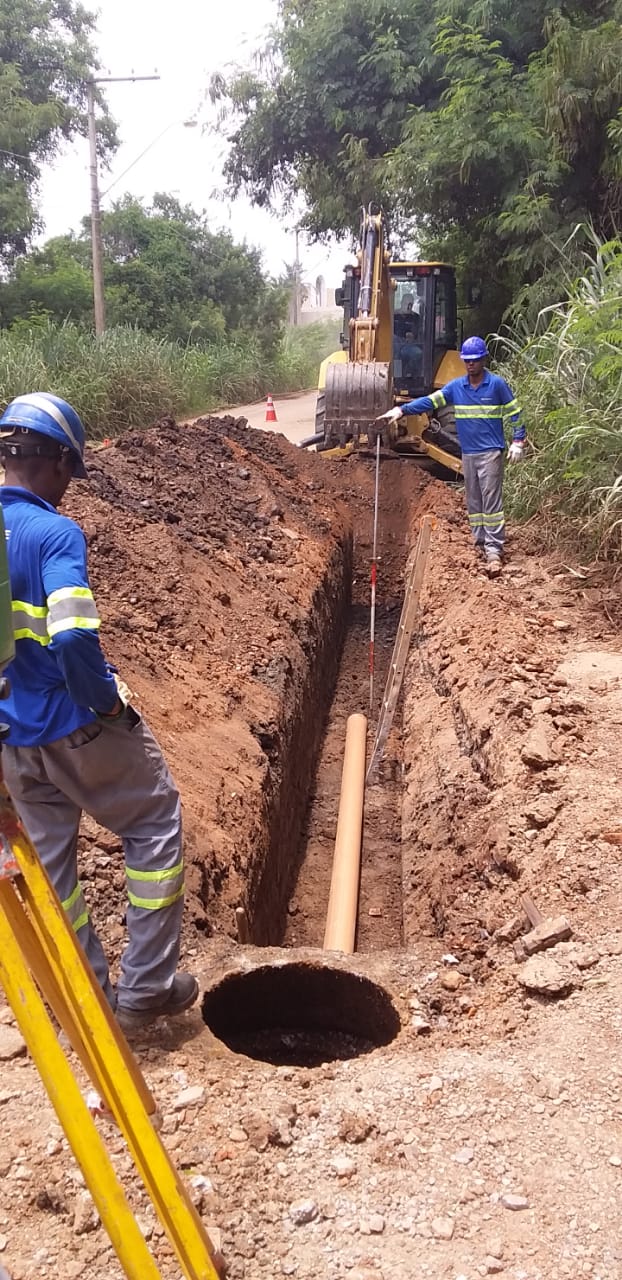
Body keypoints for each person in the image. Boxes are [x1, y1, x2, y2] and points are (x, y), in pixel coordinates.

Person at [0, 393, 198, 1032]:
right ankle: (145, 991)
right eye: (70, 471)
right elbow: (73, 636)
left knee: (53, 872)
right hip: (76, 726)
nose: (68, 486)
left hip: (13, 738)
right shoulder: (53, 533)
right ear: (58, 460)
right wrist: (104, 702)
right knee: (154, 823)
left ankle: (87, 1002)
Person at [378, 336, 525, 576]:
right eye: (467, 360)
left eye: (475, 360)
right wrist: (402, 410)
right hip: (468, 453)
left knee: (491, 502)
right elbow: (430, 401)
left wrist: (518, 441)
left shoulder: (496, 385)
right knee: (474, 502)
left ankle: (494, 550)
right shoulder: (456, 387)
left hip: (490, 452)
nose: (471, 364)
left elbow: (516, 413)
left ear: (483, 360)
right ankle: (479, 543)